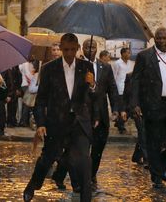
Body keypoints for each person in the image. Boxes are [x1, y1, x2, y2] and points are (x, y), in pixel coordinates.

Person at [23, 33, 99, 202]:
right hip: (57, 122)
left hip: (79, 122)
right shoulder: (50, 68)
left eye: (73, 49)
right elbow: (41, 100)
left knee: (85, 162)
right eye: (66, 50)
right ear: (61, 48)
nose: (69, 53)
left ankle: (85, 198)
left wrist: (92, 85)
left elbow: (92, 97)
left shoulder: (86, 67)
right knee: (47, 159)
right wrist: (41, 123)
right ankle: (33, 184)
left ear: (77, 48)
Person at [51, 39, 121, 190]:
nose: (91, 49)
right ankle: (74, 180)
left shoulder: (106, 68)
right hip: (80, 114)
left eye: (93, 47)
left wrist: (116, 108)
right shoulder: (76, 66)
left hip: (100, 114)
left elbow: (112, 89)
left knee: (97, 149)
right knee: (75, 149)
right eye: (88, 46)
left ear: (97, 49)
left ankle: (89, 176)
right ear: (82, 48)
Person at [130, 27, 166, 188]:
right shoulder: (145, 56)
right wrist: (135, 104)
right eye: (159, 38)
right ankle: (157, 175)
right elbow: (135, 80)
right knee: (154, 140)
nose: (162, 41)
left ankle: (162, 166)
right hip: (154, 104)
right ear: (154, 39)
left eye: (164, 38)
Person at [112, 47, 134, 133]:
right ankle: (121, 126)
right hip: (120, 88)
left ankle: (119, 122)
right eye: (128, 53)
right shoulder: (117, 63)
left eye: (130, 53)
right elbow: (113, 76)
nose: (129, 54)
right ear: (123, 53)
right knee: (122, 108)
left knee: (128, 108)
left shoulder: (130, 63)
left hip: (128, 89)